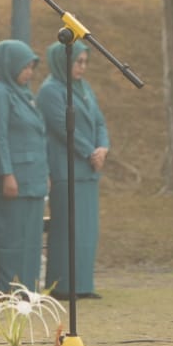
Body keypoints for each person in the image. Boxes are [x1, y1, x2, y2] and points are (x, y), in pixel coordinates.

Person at [39, 40, 109, 299]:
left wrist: (103, 148)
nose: (81, 67)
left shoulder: (84, 87)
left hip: (89, 170)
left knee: (87, 231)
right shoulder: (50, 91)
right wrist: (89, 151)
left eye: (84, 62)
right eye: (77, 62)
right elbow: (63, 128)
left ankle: (83, 284)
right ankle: (63, 285)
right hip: (66, 170)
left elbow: (100, 121)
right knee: (67, 231)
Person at [0, 39, 47, 293]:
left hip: (32, 180)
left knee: (31, 240)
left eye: (31, 67)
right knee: (11, 238)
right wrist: (7, 174)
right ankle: (9, 290)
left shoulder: (24, 93)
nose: (29, 73)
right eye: (25, 67)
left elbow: (37, 135)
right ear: (9, 65)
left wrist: (45, 172)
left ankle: (28, 290)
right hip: (12, 181)